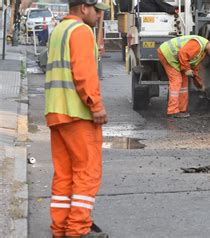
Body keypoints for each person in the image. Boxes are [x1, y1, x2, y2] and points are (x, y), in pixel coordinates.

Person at [44, 0, 109, 237]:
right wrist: (96, 105)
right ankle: (78, 230)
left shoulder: (59, 30)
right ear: (83, 8)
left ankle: (60, 228)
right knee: (87, 171)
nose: (99, 15)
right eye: (96, 10)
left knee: (64, 173)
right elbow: (83, 72)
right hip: (77, 113)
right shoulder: (81, 31)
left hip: (56, 112)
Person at [157, 35, 210, 118]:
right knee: (177, 81)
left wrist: (199, 85)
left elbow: (195, 69)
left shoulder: (202, 53)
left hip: (177, 58)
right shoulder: (198, 44)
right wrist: (187, 69)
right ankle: (172, 111)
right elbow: (182, 53)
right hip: (168, 54)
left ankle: (181, 109)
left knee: (184, 83)